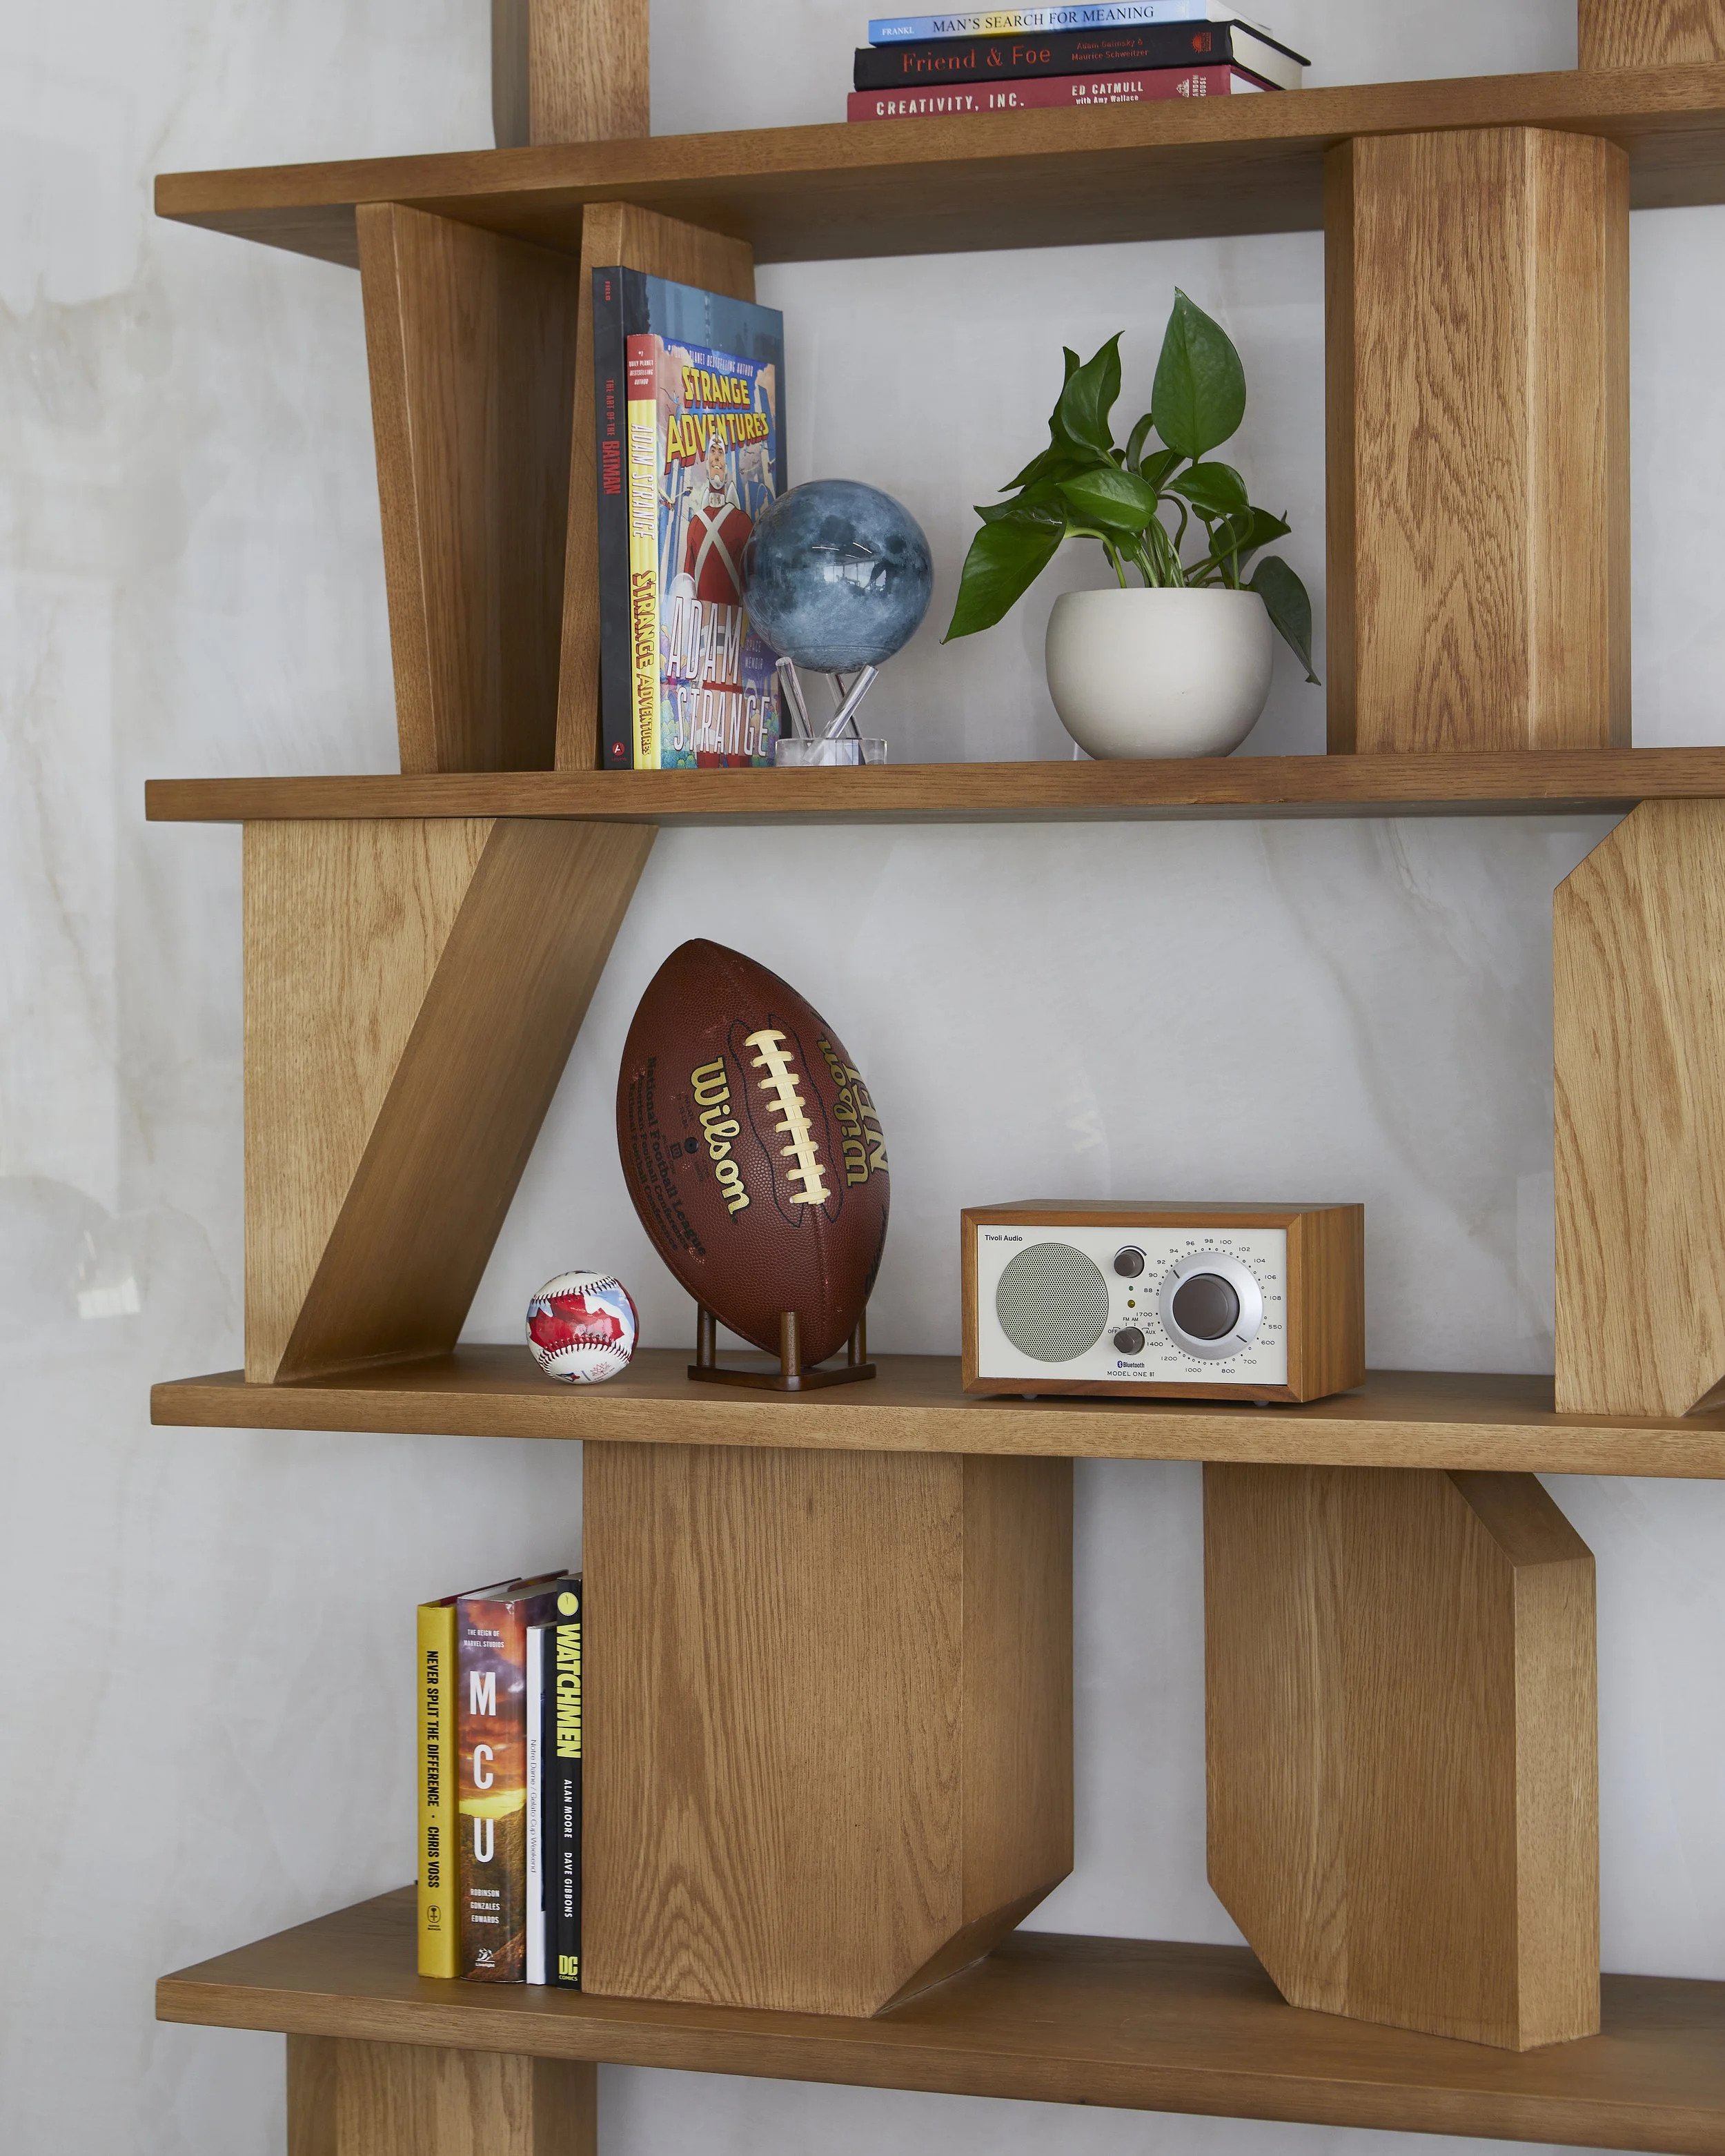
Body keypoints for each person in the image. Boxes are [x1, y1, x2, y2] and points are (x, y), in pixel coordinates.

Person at [682, 428, 755, 605]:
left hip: (736, 625)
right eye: (712, 453)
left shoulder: (741, 521)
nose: (716, 458)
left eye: (721, 453)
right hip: (701, 625)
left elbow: (754, 579)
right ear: (707, 468)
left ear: (726, 469)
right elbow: (687, 583)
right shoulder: (695, 524)